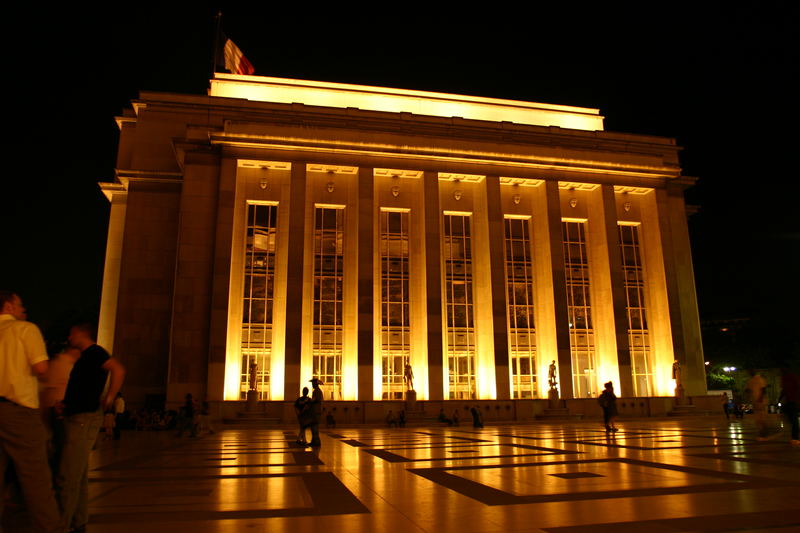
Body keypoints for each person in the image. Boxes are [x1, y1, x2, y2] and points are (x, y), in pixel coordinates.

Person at [0, 291, 63, 533]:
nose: (22, 308)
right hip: (18, 412)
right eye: (19, 304)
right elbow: (41, 367)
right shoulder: (25, 329)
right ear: (8, 306)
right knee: (36, 477)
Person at [55, 322, 125, 532]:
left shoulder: (94, 352)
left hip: (83, 418)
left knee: (67, 476)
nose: (69, 337)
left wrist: (110, 396)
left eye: (71, 333)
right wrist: (65, 404)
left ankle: (62, 526)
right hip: (77, 415)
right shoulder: (87, 356)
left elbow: (118, 369)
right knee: (77, 474)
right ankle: (78, 522)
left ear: (81, 334)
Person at [745, 369, 769, 440]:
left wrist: (760, 398)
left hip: (760, 401)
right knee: (759, 419)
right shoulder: (751, 380)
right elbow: (748, 389)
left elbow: (763, 389)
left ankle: (763, 433)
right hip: (756, 401)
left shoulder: (759, 379)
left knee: (761, 418)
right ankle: (762, 433)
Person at [779, 367, 799, 446]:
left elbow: (798, 387)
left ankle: (795, 438)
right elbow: (784, 389)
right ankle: (794, 435)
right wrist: (780, 398)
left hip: (794, 400)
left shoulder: (793, 377)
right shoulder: (784, 378)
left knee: (794, 419)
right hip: (788, 401)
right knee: (790, 418)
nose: (781, 371)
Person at [309, 378, 323, 447]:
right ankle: (314, 441)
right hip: (315, 411)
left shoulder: (317, 391)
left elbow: (315, 400)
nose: (312, 385)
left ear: (315, 384)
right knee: (313, 427)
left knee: (314, 427)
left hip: (316, 411)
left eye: (313, 384)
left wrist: (310, 401)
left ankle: (316, 442)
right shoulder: (317, 391)